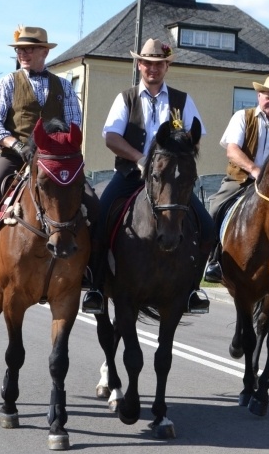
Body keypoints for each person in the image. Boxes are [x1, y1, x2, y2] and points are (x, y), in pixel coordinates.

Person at [81, 38, 214, 314]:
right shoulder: (126, 98)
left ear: (166, 66)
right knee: (100, 218)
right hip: (132, 173)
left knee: (208, 228)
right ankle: (95, 284)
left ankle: (192, 288)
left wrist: (180, 159)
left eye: (158, 64)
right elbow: (111, 137)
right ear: (139, 64)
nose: (152, 68)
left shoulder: (182, 100)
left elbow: (195, 139)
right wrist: (140, 158)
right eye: (147, 63)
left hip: (171, 182)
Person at [0, 25, 100, 282]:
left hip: (53, 161)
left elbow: (74, 126)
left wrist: (58, 150)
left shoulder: (65, 87)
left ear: (44, 52)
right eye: (19, 49)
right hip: (15, 156)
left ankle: (91, 268)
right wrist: (16, 146)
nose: (22, 53)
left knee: (92, 203)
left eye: (29, 49)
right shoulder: (7, 82)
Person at [203, 74, 269, 283]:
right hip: (241, 181)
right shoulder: (242, 117)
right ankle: (213, 259)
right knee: (215, 208)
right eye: (268, 97)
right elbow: (232, 151)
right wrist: (255, 170)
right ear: (259, 95)